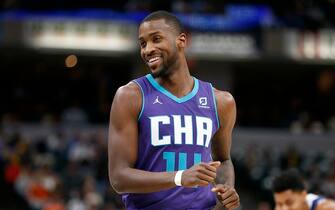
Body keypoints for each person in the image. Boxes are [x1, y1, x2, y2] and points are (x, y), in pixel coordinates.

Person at [108, 10, 240, 210]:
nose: (148, 49)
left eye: (156, 39)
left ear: (182, 41)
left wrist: (227, 189)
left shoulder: (221, 101)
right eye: (143, 43)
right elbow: (118, 178)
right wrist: (180, 177)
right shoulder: (130, 96)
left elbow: (223, 160)